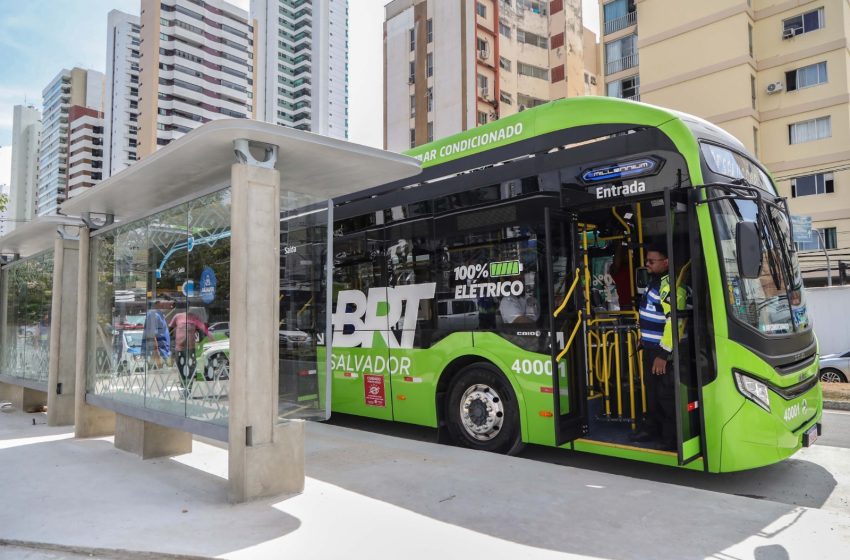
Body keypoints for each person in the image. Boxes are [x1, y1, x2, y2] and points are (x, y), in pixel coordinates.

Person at [630, 244, 686, 450]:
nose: (647, 264)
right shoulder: (655, 283)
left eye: (651, 261)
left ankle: (670, 438)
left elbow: (675, 323)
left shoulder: (670, 286)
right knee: (653, 393)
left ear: (666, 262)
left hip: (663, 352)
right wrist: (643, 338)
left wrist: (664, 354)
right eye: (647, 261)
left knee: (665, 395)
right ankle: (653, 429)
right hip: (651, 348)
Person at [169, 308, 209, 394]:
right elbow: (169, 329)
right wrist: (170, 342)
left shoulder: (195, 318)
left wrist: (199, 341)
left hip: (190, 348)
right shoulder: (177, 316)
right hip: (178, 348)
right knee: (181, 368)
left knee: (190, 368)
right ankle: (184, 387)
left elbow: (203, 330)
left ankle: (188, 389)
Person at [141, 300, 171, 368]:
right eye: (167, 302)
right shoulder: (153, 315)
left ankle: (151, 366)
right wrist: (156, 350)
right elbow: (152, 335)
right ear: (158, 303)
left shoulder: (159, 314)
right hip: (160, 352)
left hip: (163, 351)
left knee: (158, 372)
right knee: (163, 372)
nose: (170, 304)